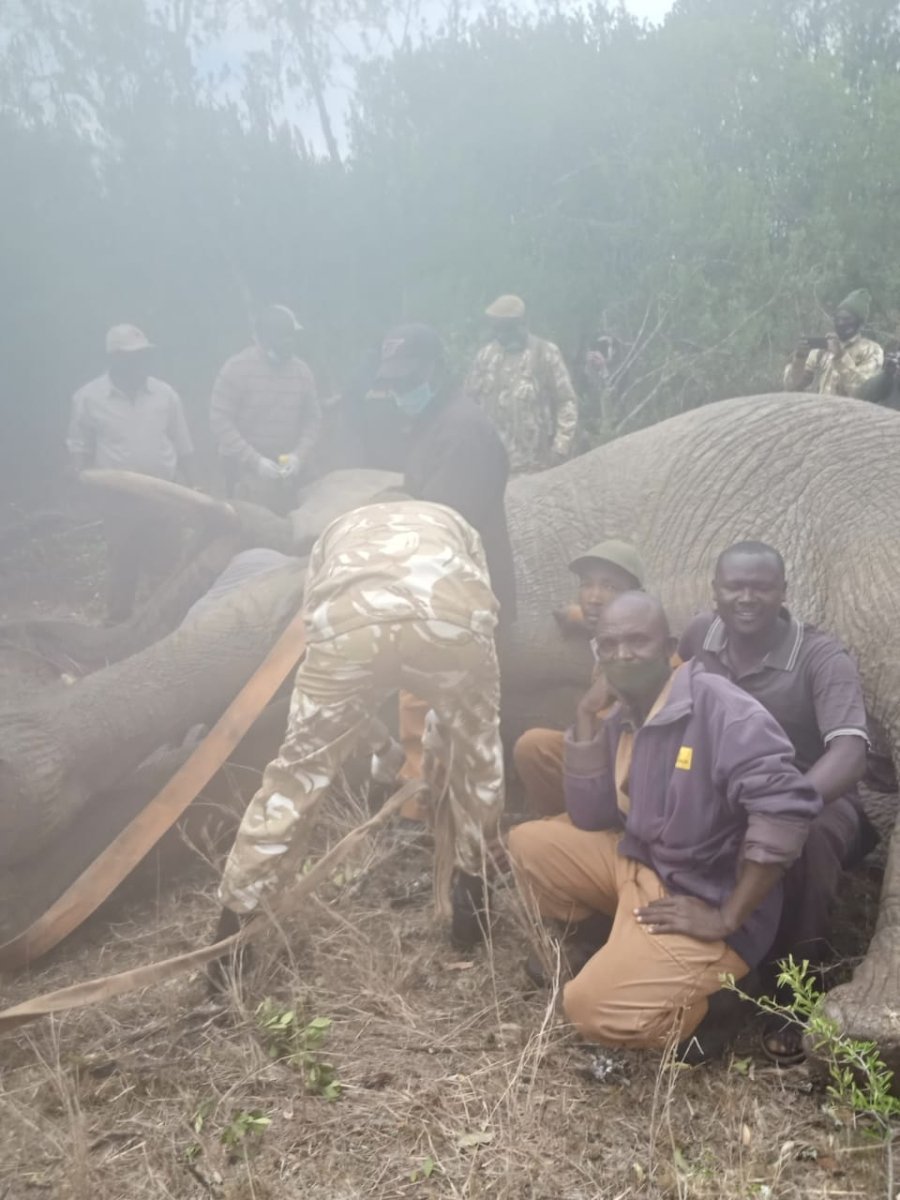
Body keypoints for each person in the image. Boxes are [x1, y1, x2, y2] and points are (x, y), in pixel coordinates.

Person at [508, 591, 821, 1054]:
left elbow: (786, 810)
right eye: (608, 644)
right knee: (527, 843)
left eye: (637, 641)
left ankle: (712, 1014)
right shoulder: (625, 711)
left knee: (589, 1010)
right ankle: (613, 945)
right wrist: (585, 717)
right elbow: (592, 816)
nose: (622, 654)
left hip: (703, 895)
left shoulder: (721, 709)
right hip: (642, 865)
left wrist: (727, 915)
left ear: (669, 646)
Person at [212, 498, 504, 960]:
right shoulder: (455, 522)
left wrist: (375, 746)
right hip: (452, 621)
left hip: (349, 629)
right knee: (479, 758)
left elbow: (317, 631)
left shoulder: (335, 531)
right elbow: (485, 601)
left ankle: (230, 942)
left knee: (295, 776)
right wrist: (448, 727)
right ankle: (472, 905)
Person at [678, 541, 875, 1063]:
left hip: (816, 796)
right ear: (715, 591)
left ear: (784, 592)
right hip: (728, 791)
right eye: (734, 586)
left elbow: (849, 751)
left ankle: (792, 991)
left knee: (803, 842)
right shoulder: (701, 636)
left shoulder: (819, 655)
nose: (747, 598)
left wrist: (789, 803)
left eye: (760, 587)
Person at [365, 322, 517, 818]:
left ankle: (439, 814)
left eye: (408, 379)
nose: (400, 391)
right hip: (436, 591)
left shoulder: (460, 432)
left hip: (454, 595)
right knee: (423, 703)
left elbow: (445, 527)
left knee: (447, 708)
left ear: (434, 367)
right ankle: (424, 804)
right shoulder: (434, 420)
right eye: (393, 382)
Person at [67, 323, 195, 622]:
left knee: (167, 565)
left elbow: (183, 443)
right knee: (122, 563)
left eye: (144, 356)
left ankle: (166, 624)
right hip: (118, 501)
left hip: (164, 496)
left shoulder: (165, 394)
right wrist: (80, 472)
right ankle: (118, 625)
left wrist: (194, 484)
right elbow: (79, 443)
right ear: (114, 359)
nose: (140, 363)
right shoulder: (89, 398)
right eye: (131, 357)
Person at [513, 540, 647, 817]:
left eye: (610, 587)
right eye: (587, 584)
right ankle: (561, 822)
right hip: (600, 755)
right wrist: (575, 615)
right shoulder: (601, 633)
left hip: (639, 769)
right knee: (533, 746)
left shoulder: (650, 647)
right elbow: (579, 613)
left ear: (638, 596)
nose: (594, 597)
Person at [209, 304, 321, 513]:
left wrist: (299, 455)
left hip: (289, 463)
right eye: (283, 337)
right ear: (264, 338)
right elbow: (220, 421)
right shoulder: (237, 369)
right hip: (244, 466)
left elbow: (312, 419)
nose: (289, 343)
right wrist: (255, 460)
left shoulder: (302, 371)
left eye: (291, 337)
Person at [465, 295, 579, 472]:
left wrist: (560, 448)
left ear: (523, 323)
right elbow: (469, 405)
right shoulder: (485, 357)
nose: (503, 335)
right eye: (498, 329)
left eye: (509, 329)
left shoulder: (545, 354)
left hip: (536, 466)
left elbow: (566, 402)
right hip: (492, 466)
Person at [783, 289, 883, 397]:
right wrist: (800, 358)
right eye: (837, 318)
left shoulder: (871, 350)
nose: (840, 323)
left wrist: (840, 356)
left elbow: (862, 390)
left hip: (853, 412)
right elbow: (791, 386)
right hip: (820, 411)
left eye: (846, 319)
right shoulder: (822, 350)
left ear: (859, 322)